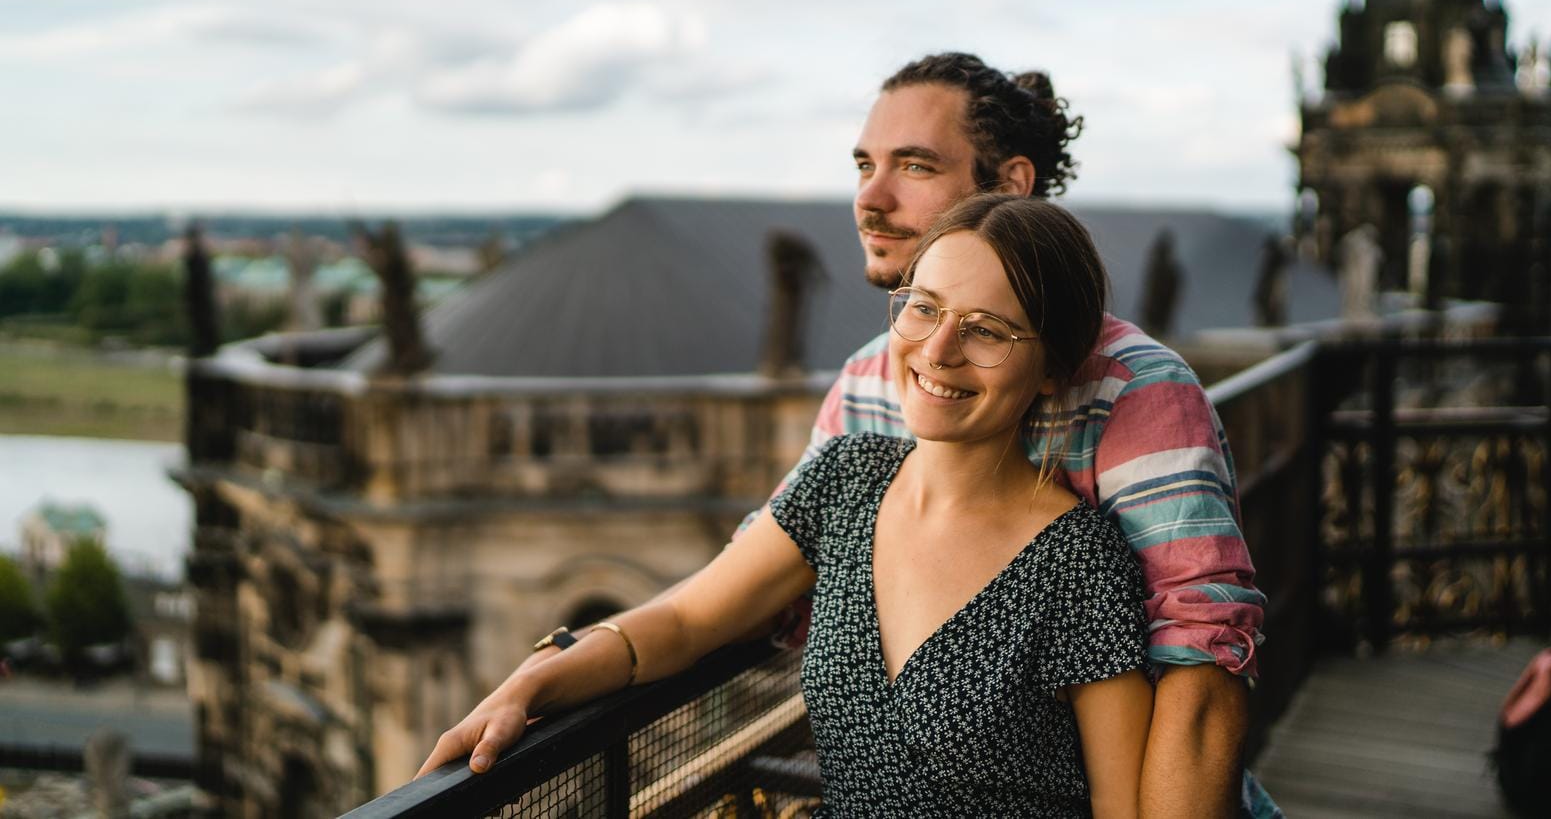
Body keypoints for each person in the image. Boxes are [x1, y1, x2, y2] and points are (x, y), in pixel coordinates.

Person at [428, 51, 1274, 817]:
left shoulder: (1137, 398)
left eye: (914, 165)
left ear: (1010, 184)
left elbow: (1199, 673)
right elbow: (721, 600)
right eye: (865, 165)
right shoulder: (866, 400)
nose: (870, 196)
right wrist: (552, 667)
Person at [422, 194, 1155, 816]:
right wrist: (533, 680)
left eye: (986, 330)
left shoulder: (1079, 560)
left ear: (1054, 367)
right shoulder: (845, 480)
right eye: (923, 309)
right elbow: (685, 618)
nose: (938, 349)